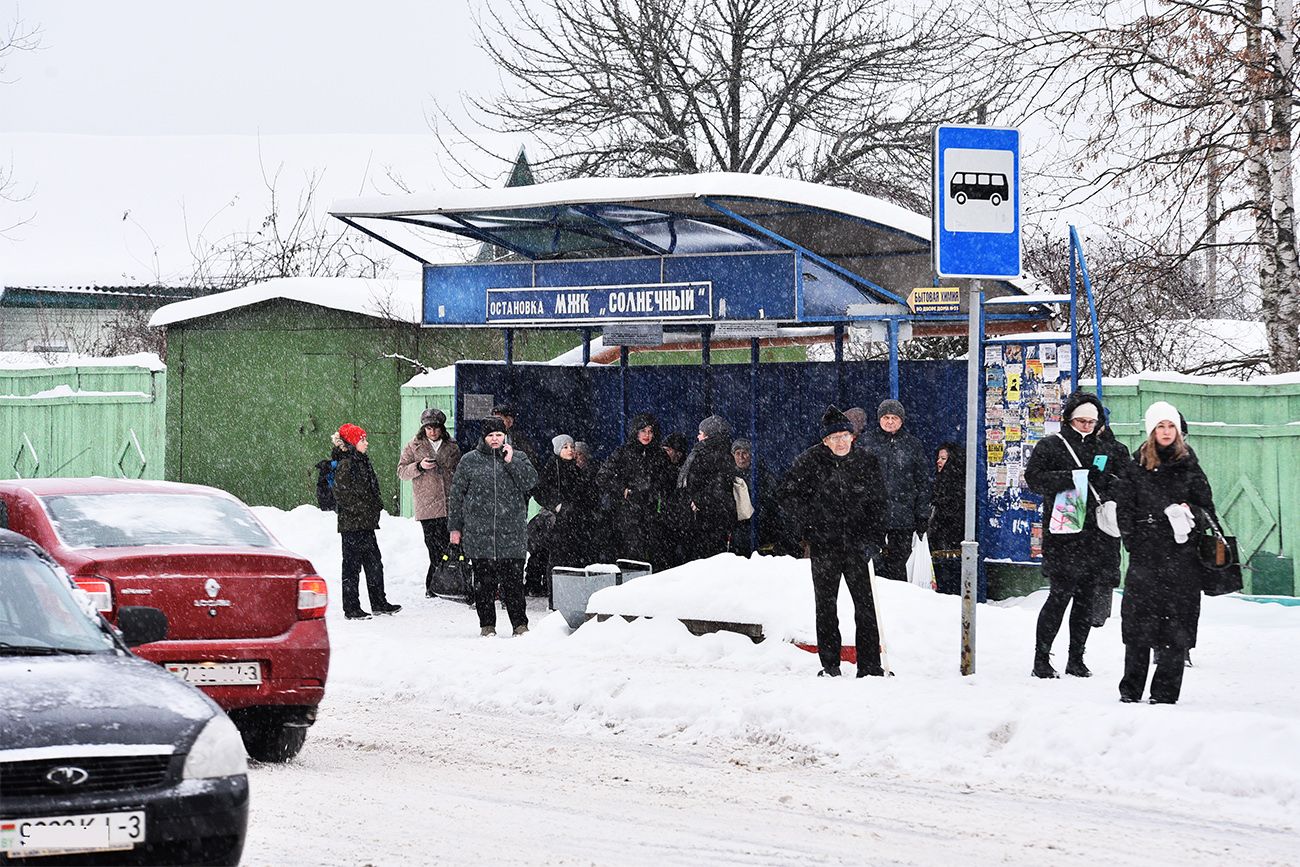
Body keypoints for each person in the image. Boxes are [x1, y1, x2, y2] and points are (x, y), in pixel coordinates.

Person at [1115, 401, 1217, 705]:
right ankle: (1130, 691)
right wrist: (1135, 540)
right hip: (1146, 558)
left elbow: (1208, 511)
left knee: (1176, 629)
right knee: (1137, 627)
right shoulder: (1135, 467)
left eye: (1171, 426)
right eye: (1161, 426)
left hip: (1182, 559)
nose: (1166, 432)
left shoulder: (1190, 466)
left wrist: (1190, 514)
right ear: (1151, 430)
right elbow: (1124, 509)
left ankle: (1165, 694)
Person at [778, 406, 887, 677]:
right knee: (826, 606)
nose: (840, 442)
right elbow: (787, 496)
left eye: (844, 436)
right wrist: (809, 526)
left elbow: (879, 504)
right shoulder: (809, 461)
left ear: (852, 436)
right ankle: (830, 665)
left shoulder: (867, 462)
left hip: (858, 546)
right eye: (833, 437)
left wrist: (873, 539)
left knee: (865, 607)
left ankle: (870, 666)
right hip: (824, 546)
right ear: (825, 441)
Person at [1023, 391, 1120, 678]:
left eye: (1092, 421)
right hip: (1064, 534)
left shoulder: (1106, 447)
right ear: (1069, 419)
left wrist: (1107, 481)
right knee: (1059, 596)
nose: (1087, 426)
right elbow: (1034, 478)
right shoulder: (1051, 445)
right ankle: (1041, 658)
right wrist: (1072, 476)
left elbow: (1118, 480)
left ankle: (1076, 658)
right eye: (1081, 421)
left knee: (1086, 599)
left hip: (1095, 535)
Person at [448, 417, 539, 637]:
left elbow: (531, 482)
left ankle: (520, 625)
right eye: (490, 435)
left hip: (512, 534)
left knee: (514, 585)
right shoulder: (470, 461)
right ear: (483, 438)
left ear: (505, 436)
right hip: (480, 534)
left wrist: (511, 462)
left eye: (498, 435)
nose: (495, 439)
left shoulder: (518, 457)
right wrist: (455, 528)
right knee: (484, 585)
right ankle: (487, 625)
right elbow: (456, 495)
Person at [858, 399, 932, 583]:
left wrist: (922, 515)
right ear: (879, 419)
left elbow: (922, 482)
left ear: (902, 420)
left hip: (903, 518)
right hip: (872, 517)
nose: (890, 421)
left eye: (894, 417)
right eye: (886, 417)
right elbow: (856, 480)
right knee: (873, 566)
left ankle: (899, 605)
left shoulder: (913, 445)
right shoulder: (866, 442)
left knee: (900, 565)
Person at [332, 423, 401, 620]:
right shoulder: (347, 463)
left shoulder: (361, 461)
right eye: (362, 439)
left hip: (365, 523)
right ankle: (351, 608)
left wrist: (373, 507)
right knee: (352, 568)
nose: (366, 443)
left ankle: (379, 602)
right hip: (353, 525)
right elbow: (341, 493)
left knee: (374, 564)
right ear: (353, 442)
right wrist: (363, 509)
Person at [397, 408, 462, 598]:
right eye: (428, 428)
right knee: (433, 547)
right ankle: (433, 584)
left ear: (441, 428)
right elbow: (401, 471)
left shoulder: (452, 446)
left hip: (449, 504)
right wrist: (419, 466)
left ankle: (447, 583)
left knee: (450, 546)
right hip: (427, 506)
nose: (432, 432)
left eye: (435, 428)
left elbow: (459, 473)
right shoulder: (413, 446)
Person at [598, 412, 675, 568]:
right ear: (635, 432)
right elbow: (602, 477)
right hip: (628, 513)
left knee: (655, 553)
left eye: (650, 431)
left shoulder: (660, 454)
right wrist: (623, 490)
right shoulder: (623, 452)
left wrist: (658, 491)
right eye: (643, 431)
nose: (647, 435)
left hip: (653, 513)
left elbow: (669, 481)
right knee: (632, 554)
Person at [529, 434, 599, 591]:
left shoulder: (575, 469)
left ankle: (568, 594)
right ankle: (556, 595)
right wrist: (556, 505)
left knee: (572, 558)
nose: (570, 450)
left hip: (575, 521)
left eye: (572, 447)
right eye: (565, 447)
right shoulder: (552, 468)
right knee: (558, 558)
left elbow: (585, 492)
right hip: (560, 522)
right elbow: (539, 491)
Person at [677, 414, 737, 560]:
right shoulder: (723, 454)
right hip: (711, 516)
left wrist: (697, 500)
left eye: (701, 433)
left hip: (704, 517)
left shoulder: (706, 454)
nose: (698, 437)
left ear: (709, 435)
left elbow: (716, 486)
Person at [1092, 419, 1132, 627]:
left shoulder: (1116, 450)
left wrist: (1107, 494)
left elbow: (1126, 483)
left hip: (1105, 514)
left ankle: (1099, 615)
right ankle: (1096, 613)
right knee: (1100, 566)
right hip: (1092, 516)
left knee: (1104, 566)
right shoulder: (1076, 447)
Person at [928, 442, 965, 595]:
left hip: (949, 536)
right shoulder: (939, 480)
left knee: (948, 573)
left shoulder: (955, 483)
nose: (939, 462)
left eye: (943, 458)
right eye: (938, 458)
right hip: (943, 537)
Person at [492, 403, 541, 471]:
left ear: (509, 421)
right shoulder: (485, 438)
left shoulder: (519, 439)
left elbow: (531, 462)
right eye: (493, 419)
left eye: (499, 420)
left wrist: (512, 460)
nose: (495, 423)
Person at [729, 439, 756, 556]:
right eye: (737, 453)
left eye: (744, 453)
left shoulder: (759, 475)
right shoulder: (727, 475)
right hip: (735, 527)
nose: (741, 457)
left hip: (754, 525)